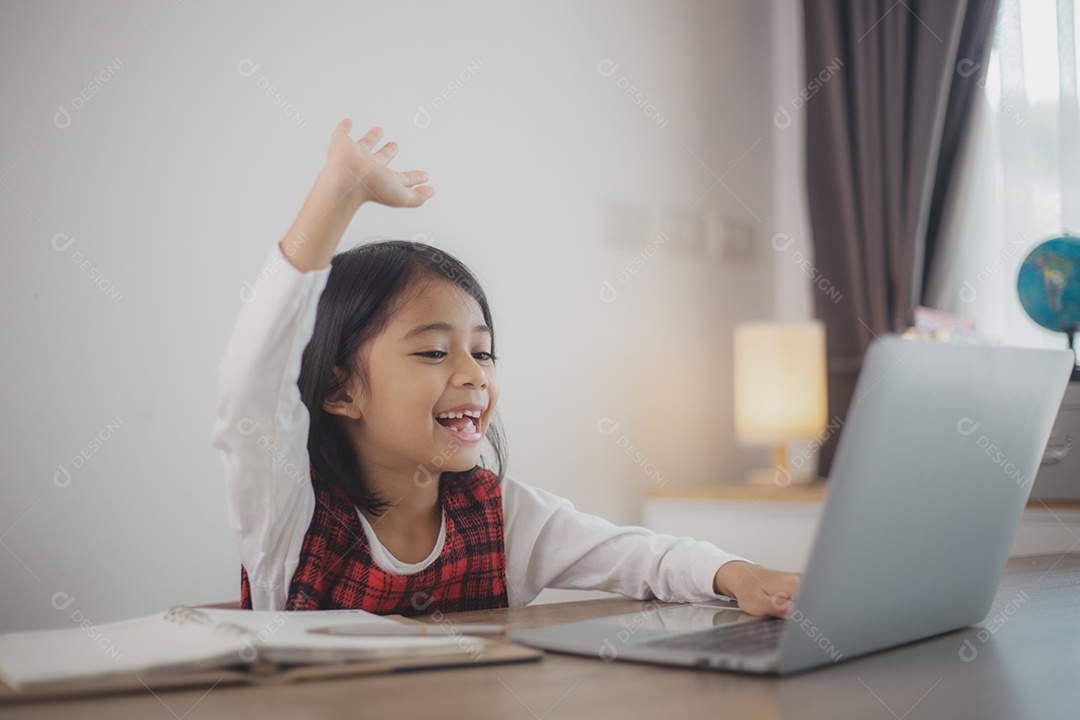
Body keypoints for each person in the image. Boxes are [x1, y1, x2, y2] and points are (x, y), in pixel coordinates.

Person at [212, 118, 800, 619]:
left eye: (484, 351)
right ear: (340, 390)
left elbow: (644, 556)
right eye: (435, 352)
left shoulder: (502, 517)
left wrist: (737, 576)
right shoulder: (287, 516)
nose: (474, 374)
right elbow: (251, 386)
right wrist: (336, 195)